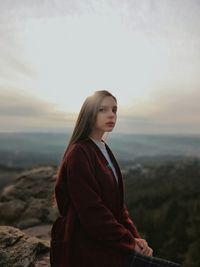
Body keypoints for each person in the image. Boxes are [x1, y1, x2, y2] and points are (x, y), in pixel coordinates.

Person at [50, 90, 181, 267]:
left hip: (108, 243)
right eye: (102, 109)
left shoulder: (102, 148)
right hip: (87, 249)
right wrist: (128, 243)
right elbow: (92, 212)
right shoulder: (79, 153)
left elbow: (118, 207)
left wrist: (135, 238)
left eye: (114, 109)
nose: (111, 115)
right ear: (89, 113)